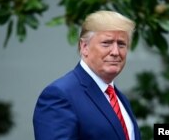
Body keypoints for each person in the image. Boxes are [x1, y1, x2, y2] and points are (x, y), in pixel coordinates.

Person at [33, 10, 141, 140]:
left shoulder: (119, 98)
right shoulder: (60, 95)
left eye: (121, 44)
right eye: (106, 43)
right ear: (84, 47)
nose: (115, 52)